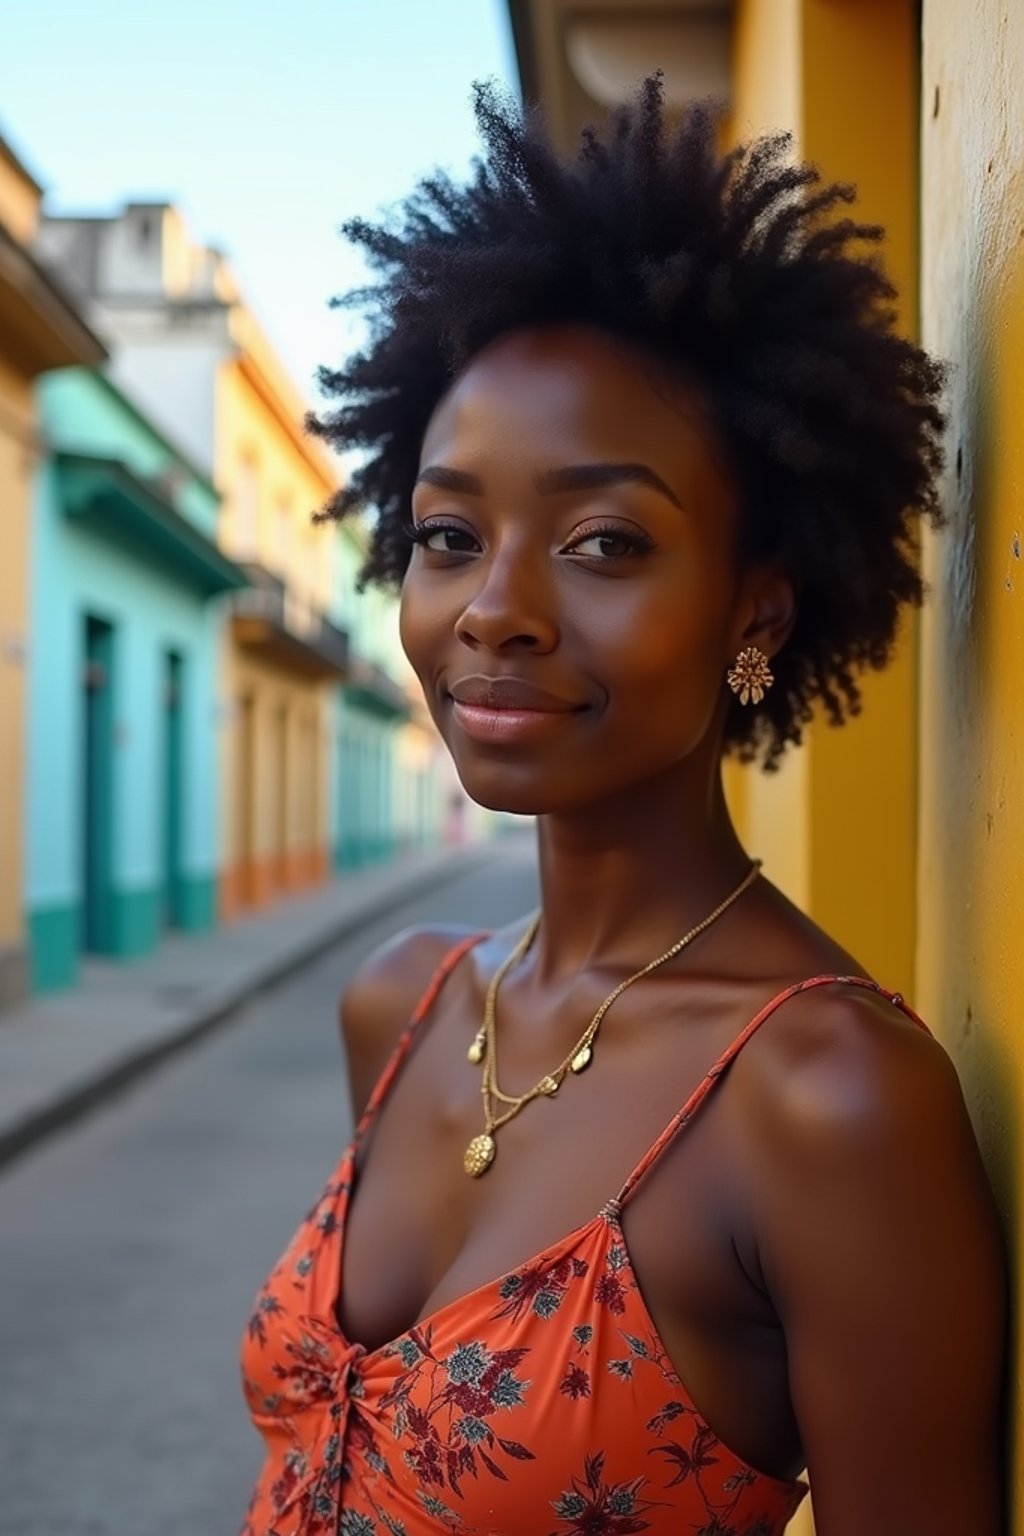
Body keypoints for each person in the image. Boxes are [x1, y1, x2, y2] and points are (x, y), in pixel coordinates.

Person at [239, 78, 1006, 1536]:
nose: (497, 612)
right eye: (451, 535)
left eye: (603, 540)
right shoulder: (401, 1007)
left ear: (758, 610)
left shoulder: (825, 1099)